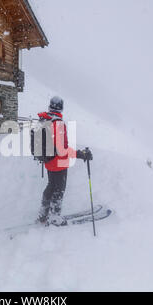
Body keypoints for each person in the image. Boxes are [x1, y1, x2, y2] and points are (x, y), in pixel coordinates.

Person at [36, 96, 93, 226]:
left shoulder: (44, 120)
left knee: (50, 186)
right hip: (59, 163)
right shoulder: (59, 124)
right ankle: (55, 217)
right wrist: (80, 154)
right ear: (61, 108)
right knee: (59, 190)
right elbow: (62, 150)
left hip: (48, 161)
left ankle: (43, 214)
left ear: (50, 106)